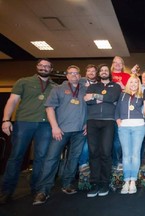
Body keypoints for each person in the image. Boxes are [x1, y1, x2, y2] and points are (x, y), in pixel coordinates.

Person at [0, 59, 56, 204]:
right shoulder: (23, 81)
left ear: (51, 69)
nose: (44, 68)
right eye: (41, 65)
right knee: (16, 156)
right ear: (37, 67)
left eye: (47, 66)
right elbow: (12, 101)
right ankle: (7, 191)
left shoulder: (55, 86)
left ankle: (36, 189)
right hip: (24, 123)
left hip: (45, 126)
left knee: (41, 158)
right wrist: (6, 119)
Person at [33, 65, 87, 205]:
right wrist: (54, 127)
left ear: (79, 75)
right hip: (61, 131)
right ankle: (43, 190)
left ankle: (67, 184)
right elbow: (49, 108)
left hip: (80, 131)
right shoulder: (57, 89)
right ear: (67, 76)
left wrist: (87, 124)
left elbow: (90, 108)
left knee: (73, 158)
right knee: (51, 158)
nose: (74, 75)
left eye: (76, 73)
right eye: (71, 73)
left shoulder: (85, 89)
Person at [85, 64, 121, 197]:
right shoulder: (92, 85)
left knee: (106, 152)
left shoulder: (115, 86)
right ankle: (95, 183)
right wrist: (101, 100)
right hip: (92, 120)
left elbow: (112, 98)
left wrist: (95, 96)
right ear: (99, 73)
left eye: (106, 70)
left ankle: (105, 183)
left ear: (109, 73)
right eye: (102, 70)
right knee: (93, 152)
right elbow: (87, 101)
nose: (104, 72)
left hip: (109, 121)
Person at [115, 75, 145, 194]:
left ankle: (133, 180)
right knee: (126, 155)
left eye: (136, 82)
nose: (133, 84)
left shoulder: (142, 96)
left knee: (135, 154)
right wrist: (118, 120)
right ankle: (126, 180)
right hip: (124, 127)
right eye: (131, 82)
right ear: (128, 83)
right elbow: (117, 109)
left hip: (138, 127)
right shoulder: (122, 95)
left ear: (139, 85)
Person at [78, 64, 97, 190]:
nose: (90, 72)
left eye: (93, 71)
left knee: (94, 144)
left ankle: (92, 165)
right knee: (84, 143)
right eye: (88, 71)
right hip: (81, 115)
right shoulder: (80, 83)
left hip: (94, 116)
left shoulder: (99, 84)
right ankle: (83, 165)